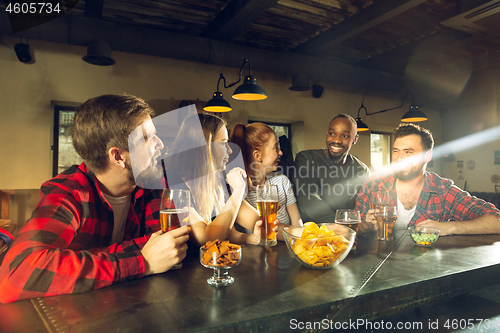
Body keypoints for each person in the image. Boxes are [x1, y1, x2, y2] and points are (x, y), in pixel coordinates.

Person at [0, 94, 190, 303]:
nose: (160, 144)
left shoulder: (150, 182)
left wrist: (83, 259)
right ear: (118, 156)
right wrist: (142, 260)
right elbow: (16, 274)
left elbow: (169, 246)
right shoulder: (70, 191)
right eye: (147, 138)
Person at [356, 123, 500, 235]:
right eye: (396, 151)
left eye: (408, 152)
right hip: (379, 267)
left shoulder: (443, 190)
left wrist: (450, 227)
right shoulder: (373, 184)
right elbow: (353, 230)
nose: (399, 158)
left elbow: (496, 220)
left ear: (427, 156)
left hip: (428, 269)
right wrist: (365, 226)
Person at [163, 113, 265, 246]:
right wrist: (238, 190)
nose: (229, 150)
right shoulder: (175, 184)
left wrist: (251, 239)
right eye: (223, 143)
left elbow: (229, 232)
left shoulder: (215, 181)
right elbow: (207, 238)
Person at [229, 122, 302, 241]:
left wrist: (305, 235)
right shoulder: (236, 190)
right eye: (275, 148)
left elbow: (298, 224)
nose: (281, 153)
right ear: (258, 156)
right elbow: (266, 228)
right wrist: (316, 233)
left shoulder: (282, 181)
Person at [294, 114, 370, 223]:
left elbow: (362, 207)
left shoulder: (362, 170)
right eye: (332, 133)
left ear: (355, 139)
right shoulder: (307, 158)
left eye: (344, 136)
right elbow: (308, 199)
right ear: (327, 133)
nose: (337, 140)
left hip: (346, 235)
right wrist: (340, 225)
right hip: (312, 234)